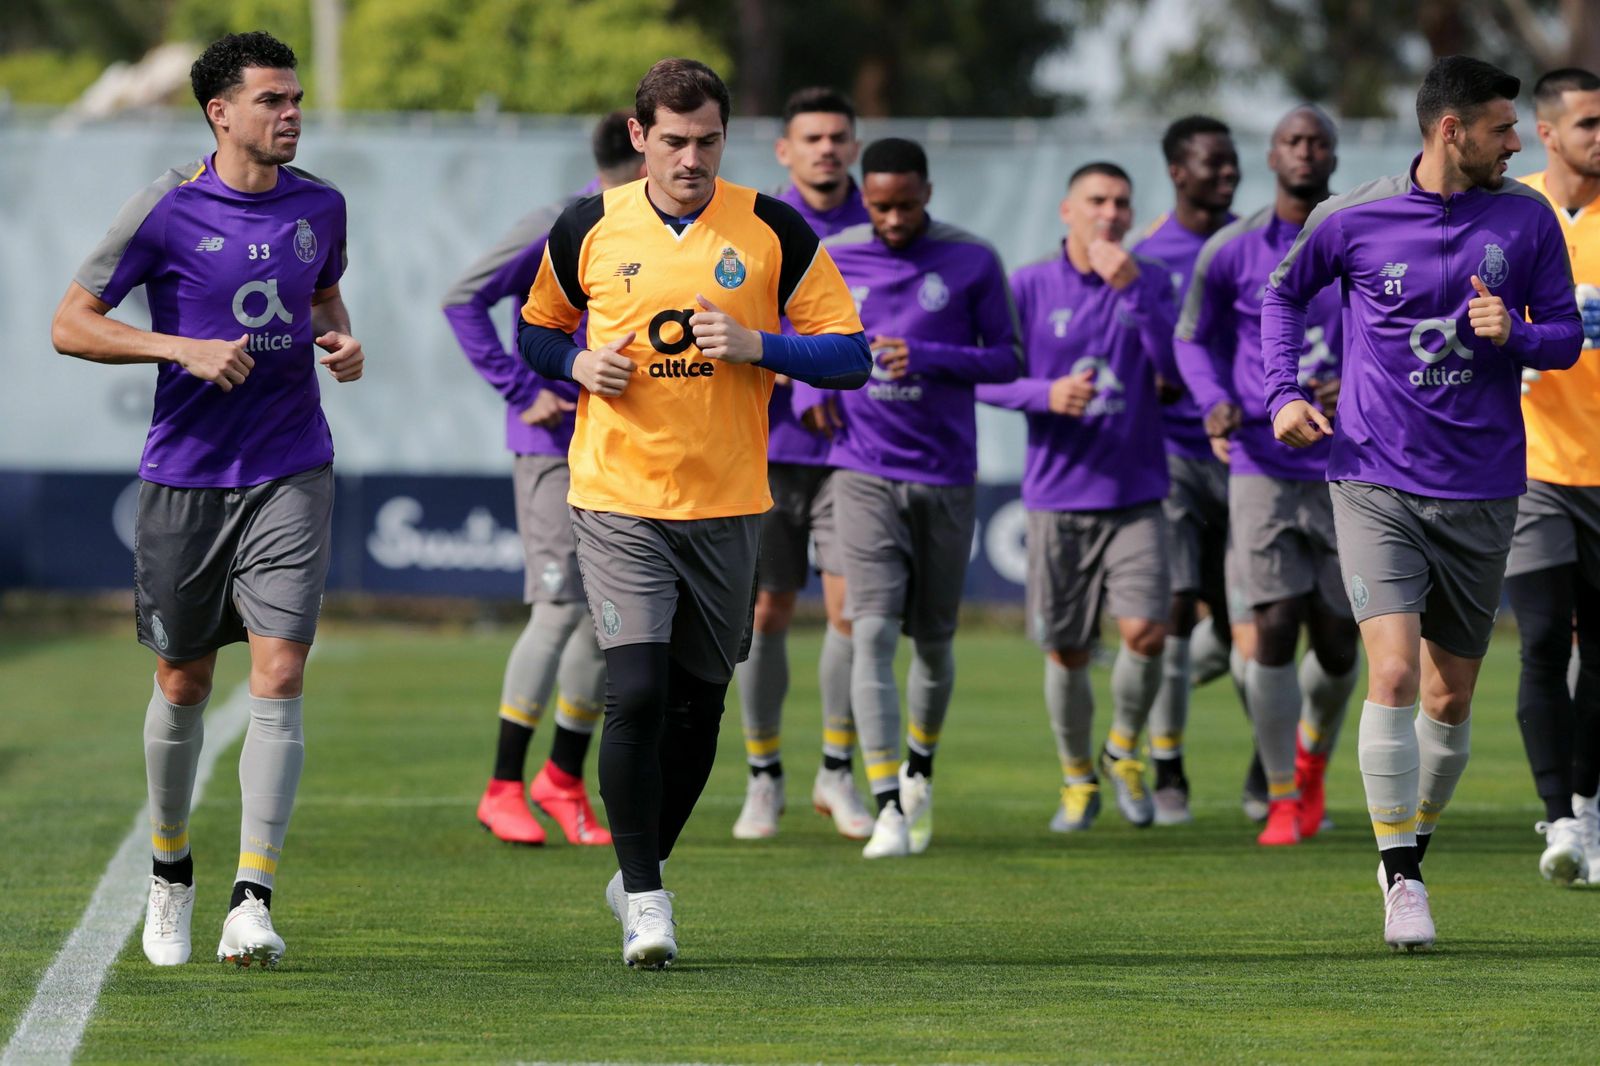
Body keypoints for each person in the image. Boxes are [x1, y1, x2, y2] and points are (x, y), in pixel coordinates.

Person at [517, 58, 868, 968]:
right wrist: (573, 366)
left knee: (698, 709)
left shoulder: (770, 228)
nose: (691, 158)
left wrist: (759, 344)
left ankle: (643, 864)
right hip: (616, 497)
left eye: (708, 140)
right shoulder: (589, 224)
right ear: (639, 138)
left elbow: (852, 356)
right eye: (672, 141)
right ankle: (646, 900)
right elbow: (536, 328)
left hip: (727, 507)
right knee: (632, 692)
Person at [49, 31, 363, 968]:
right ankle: (171, 869)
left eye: (296, 97)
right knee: (184, 680)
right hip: (185, 477)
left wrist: (341, 341)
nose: (291, 113)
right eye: (272, 100)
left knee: (279, 672)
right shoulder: (166, 209)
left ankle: (251, 897)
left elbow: (323, 301)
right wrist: (177, 347)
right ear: (220, 113)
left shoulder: (323, 206)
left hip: (292, 468)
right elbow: (69, 324)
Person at [1265, 55, 1582, 950]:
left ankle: (1408, 842)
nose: (1515, 143)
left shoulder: (1526, 218)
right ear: (1452, 131)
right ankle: (1403, 882)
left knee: (1448, 702)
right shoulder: (1354, 216)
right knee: (1395, 675)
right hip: (1373, 478)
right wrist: (1283, 393)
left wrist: (1514, 334)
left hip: (1483, 488)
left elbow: (1562, 336)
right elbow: (1281, 296)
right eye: (1501, 129)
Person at [807, 137, 1022, 858]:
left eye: (904, 204)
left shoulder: (972, 260)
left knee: (932, 640)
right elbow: (799, 338)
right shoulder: (835, 256)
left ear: (927, 192)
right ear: (863, 198)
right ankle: (888, 803)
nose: (892, 219)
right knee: (868, 629)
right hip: (861, 470)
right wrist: (810, 391)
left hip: (945, 476)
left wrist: (925, 355)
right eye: (878, 205)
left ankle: (920, 768)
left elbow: (1007, 359)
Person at [443, 112, 643, 848]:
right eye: (675, 144)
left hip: (622, 452)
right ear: (643, 146)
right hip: (553, 447)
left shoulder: (656, 230)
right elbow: (462, 297)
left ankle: (560, 781)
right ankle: (501, 787)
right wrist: (521, 389)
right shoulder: (562, 222)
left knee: (605, 617)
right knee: (559, 607)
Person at [1177, 106, 1359, 848]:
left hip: (1352, 462)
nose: (1306, 151)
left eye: (1318, 140)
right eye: (1293, 140)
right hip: (1260, 460)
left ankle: (1311, 755)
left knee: (1344, 639)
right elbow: (1192, 339)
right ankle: (1282, 791)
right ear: (1272, 155)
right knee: (1275, 625)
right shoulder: (1231, 248)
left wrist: (1356, 382)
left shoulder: (1363, 234)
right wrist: (1216, 402)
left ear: (1333, 153)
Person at [978, 162, 1177, 833]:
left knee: (1148, 631)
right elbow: (984, 378)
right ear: (1068, 210)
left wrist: (1134, 295)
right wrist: (1044, 394)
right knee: (1064, 648)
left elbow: (1173, 376)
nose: (1110, 213)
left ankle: (1123, 749)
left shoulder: (1151, 282)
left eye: (1121, 202)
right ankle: (1076, 778)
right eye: (1097, 200)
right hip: (1058, 497)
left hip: (1137, 492)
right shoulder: (1029, 286)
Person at [731, 86, 875, 842]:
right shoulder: (754, 224)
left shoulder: (879, 217)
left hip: (857, 454)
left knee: (854, 611)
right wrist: (793, 373)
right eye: (810, 138)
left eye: (837, 136)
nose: (826, 148)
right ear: (784, 150)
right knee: (766, 613)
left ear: (854, 145)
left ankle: (837, 770)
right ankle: (764, 778)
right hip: (770, 448)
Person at [1132, 116, 1249, 825]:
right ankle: (1168, 765)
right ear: (1178, 170)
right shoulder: (1148, 255)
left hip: (1252, 455)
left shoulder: (1255, 243)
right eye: (1213, 163)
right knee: (1173, 609)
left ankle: (1270, 766)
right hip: (1174, 454)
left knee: (1253, 626)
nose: (1227, 173)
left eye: (1233, 162)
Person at [1507, 67, 1600, 884]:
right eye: (1590, 123)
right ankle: (1561, 818)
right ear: (1546, 131)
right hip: (1532, 466)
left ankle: (1589, 802)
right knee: (1541, 640)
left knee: (1599, 651)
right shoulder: (1511, 211)